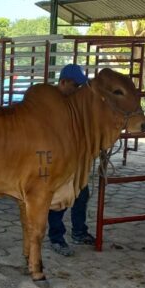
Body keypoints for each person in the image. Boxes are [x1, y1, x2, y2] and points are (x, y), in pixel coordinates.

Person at [48, 63, 96, 256]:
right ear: (63, 82)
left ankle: (79, 231)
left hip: (73, 159)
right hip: (55, 159)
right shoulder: (49, 102)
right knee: (58, 199)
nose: (77, 89)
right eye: (74, 85)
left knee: (81, 194)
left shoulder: (74, 103)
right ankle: (56, 238)